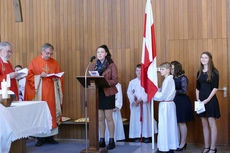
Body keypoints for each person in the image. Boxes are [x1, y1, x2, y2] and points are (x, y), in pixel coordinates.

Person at [24, 43, 64, 147]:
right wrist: (38, 77)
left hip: (52, 93)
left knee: (51, 112)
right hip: (39, 93)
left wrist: (56, 79)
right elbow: (29, 78)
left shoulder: (54, 62)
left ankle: (50, 137)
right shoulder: (34, 62)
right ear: (42, 52)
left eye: (51, 54)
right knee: (40, 113)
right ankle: (40, 138)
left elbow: (59, 76)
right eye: (47, 53)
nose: (49, 56)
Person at [89, 44, 118, 150]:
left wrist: (104, 81)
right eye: (98, 52)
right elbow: (90, 78)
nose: (99, 54)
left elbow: (115, 80)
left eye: (101, 52)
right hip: (97, 93)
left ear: (106, 54)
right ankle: (101, 139)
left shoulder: (111, 65)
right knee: (100, 118)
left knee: (108, 118)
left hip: (108, 93)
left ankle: (111, 140)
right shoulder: (93, 65)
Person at [196, 51, 219, 153]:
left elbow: (215, 88)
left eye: (205, 57)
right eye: (202, 57)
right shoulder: (199, 72)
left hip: (210, 101)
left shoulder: (214, 72)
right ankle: (206, 147)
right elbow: (197, 88)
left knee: (211, 124)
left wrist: (207, 100)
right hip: (201, 102)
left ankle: (213, 148)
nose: (203, 59)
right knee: (204, 124)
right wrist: (198, 99)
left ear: (209, 59)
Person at [153, 62, 178, 153]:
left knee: (166, 125)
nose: (160, 71)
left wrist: (152, 94)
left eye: (162, 69)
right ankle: (168, 145)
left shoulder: (168, 80)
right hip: (167, 105)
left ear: (168, 70)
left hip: (166, 105)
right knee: (167, 125)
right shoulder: (167, 80)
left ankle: (167, 147)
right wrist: (157, 90)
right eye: (160, 69)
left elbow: (163, 95)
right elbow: (164, 92)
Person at [127, 64, 153, 143]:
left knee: (145, 119)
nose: (139, 72)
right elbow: (129, 93)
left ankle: (146, 136)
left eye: (140, 71)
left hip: (144, 105)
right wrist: (133, 100)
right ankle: (137, 135)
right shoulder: (132, 82)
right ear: (135, 71)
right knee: (136, 120)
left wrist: (141, 99)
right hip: (136, 106)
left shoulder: (147, 81)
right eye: (137, 70)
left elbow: (149, 93)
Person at [171, 61, 194, 151]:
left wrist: (173, 91)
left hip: (183, 102)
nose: (171, 70)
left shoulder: (183, 77)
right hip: (174, 101)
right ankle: (177, 142)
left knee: (182, 123)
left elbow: (184, 91)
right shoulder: (171, 78)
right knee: (176, 123)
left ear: (177, 68)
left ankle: (183, 143)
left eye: (172, 68)